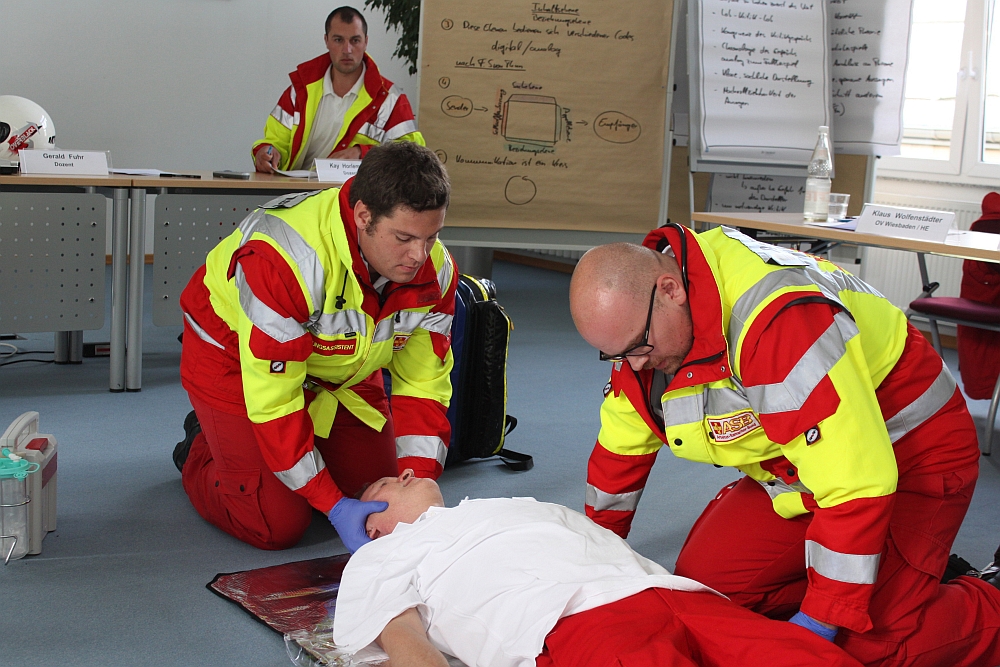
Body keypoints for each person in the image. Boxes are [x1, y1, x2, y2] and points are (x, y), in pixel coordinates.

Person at [568, 224, 1000, 667]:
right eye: (617, 356)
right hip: (799, 467)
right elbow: (620, 452)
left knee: (865, 647)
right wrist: (598, 554)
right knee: (712, 591)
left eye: (639, 346)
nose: (635, 364)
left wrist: (822, 618)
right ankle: (899, 575)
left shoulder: (777, 319)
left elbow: (856, 483)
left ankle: (984, 600)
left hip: (910, 451)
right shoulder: (644, 332)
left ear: (671, 289)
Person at [173, 142, 457, 553]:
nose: (420, 256)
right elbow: (274, 400)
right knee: (277, 524)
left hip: (338, 369)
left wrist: (416, 479)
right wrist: (331, 502)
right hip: (233, 359)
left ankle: (278, 452)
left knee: (378, 492)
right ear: (363, 216)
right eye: (405, 237)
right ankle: (203, 444)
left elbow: (424, 383)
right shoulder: (285, 259)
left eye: (432, 236)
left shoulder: (437, 270)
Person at [332, 471, 865, 667]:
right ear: (373, 527)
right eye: (386, 486)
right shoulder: (381, 555)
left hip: (675, 593)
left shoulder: (507, 504)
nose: (403, 472)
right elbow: (405, 643)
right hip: (573, 623)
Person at [252, 6, 424, 174]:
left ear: (366, 42)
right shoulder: (299, 90)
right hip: (295, 193)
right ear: (326, 41)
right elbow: (274, 142)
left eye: (355, 40)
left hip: (357, 198)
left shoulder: (390, 99)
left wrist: (362, 153)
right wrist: (265, 152)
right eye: (338, 40)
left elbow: (413, 156)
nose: (347, 50)